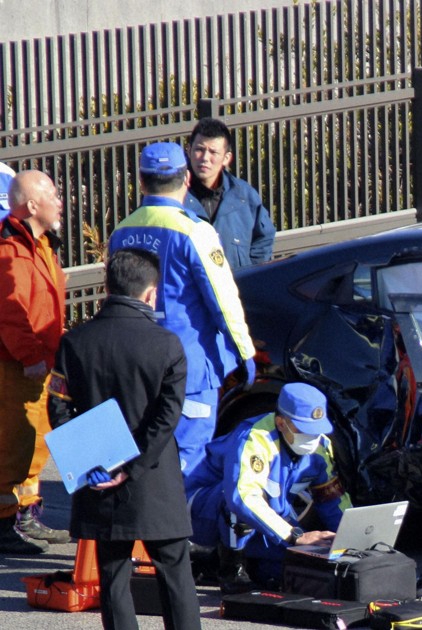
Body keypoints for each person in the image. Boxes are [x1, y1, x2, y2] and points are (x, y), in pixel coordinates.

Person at [47, 248, 201, 630]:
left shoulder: (75, 343)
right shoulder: (167, 346)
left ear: (106, 288)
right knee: (176, 576)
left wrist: (94, 464)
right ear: (151, 293)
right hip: (155, 481)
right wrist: (132, 466)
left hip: (97, 478)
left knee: (113, 577)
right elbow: (166, 418)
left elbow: (58, 409)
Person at [109, 142, 256, 478]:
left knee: (141, 456)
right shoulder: (194, 231)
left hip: (135, 367)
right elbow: (223, 300)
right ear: (186, 179)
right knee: (187, 462)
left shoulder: (121, 231)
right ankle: (179, 530)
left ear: (142, 183)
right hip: (189, 369)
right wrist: (244, 353)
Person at [186, 382, 350, 593]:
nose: (312, 438)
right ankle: (231, 570)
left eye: (317, 431)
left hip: (265, 520)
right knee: (236, 500)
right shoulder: (255, 438)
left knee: (292, 566)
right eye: (304, 430)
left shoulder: (321, 448)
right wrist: (295, 535)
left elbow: (331, 498)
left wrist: (350, 538)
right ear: (281, 423)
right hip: (202, 512)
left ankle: (232, 563)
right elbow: (243, 499)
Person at [0, 169, 71, 553]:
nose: (60, 201)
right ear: (31, 205)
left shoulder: (40, 244)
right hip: (17, 367)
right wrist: (30, 357)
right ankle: (5, 523)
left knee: (35, 443)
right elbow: (10, 313)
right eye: (53, 194)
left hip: (40, 364)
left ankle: (25, 514)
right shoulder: (9, 249)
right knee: (12, 444)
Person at [183, 118, 276, 269]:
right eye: (199, 149)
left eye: (213, 152)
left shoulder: (243, 196)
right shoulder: (174, 196)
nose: (205, 158)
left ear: (226, 158)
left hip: (236, 289)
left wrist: (251, 271)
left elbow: (264, 237)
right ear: (189, 150)